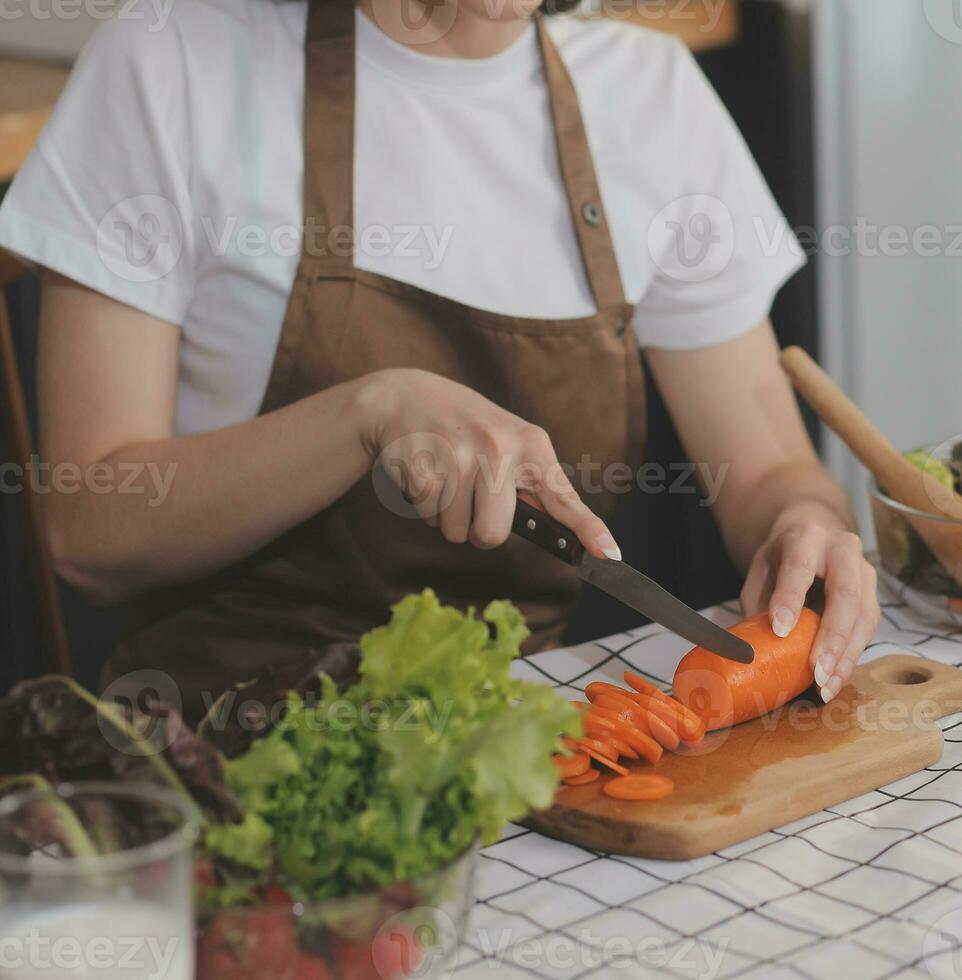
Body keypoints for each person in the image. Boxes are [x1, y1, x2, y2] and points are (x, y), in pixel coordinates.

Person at [0, 0, 879, 722]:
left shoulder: (649, 94)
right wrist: (367, 414)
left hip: (516, 768)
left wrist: (803, 526)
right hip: (223, 766)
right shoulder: (168, 66)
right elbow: (87, 530)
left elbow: (767, 471)